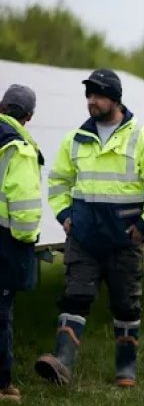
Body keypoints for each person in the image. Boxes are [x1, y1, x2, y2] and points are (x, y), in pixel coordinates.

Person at [36, 69, 144, 387]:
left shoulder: (143, 138)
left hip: (125, 238)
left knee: (126, 303)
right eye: (89, 95)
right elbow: (57, 181)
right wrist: (64, 215)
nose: (91, 101)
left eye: (97, 95)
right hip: (83, 236)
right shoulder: (75, 139)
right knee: (75, 296)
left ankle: (126, 369)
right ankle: (62, 363)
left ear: (114, 98)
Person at [0, 85, 42, 402]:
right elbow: (25, 215)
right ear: (28, 117)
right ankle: (4, 384)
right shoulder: (19, 149)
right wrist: (28, 238)